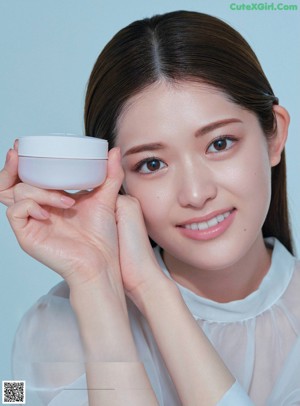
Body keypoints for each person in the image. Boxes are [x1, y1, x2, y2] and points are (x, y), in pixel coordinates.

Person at [1, 10, 299, 406]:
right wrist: (96, 290)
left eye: (220, 143)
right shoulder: (47, 330)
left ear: (274, 135)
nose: (195, 193)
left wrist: (152, 292)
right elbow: (13, 397)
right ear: (115, 177)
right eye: (152, 164)